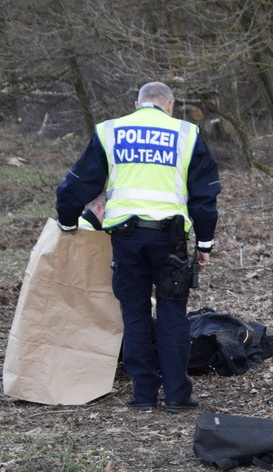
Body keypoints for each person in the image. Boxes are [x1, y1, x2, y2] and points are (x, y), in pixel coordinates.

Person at [56, 81, 220, 413]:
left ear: (137, 104)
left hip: (127, 240)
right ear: (170, 104)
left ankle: (143, 394)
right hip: (170, 240)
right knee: (173, 314)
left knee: (135, 313)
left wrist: (68, 219)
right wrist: (205, 243)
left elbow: (80, 180)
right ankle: (177, 395)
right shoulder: (186, 135)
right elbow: (204, 196)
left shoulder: (110, 131)